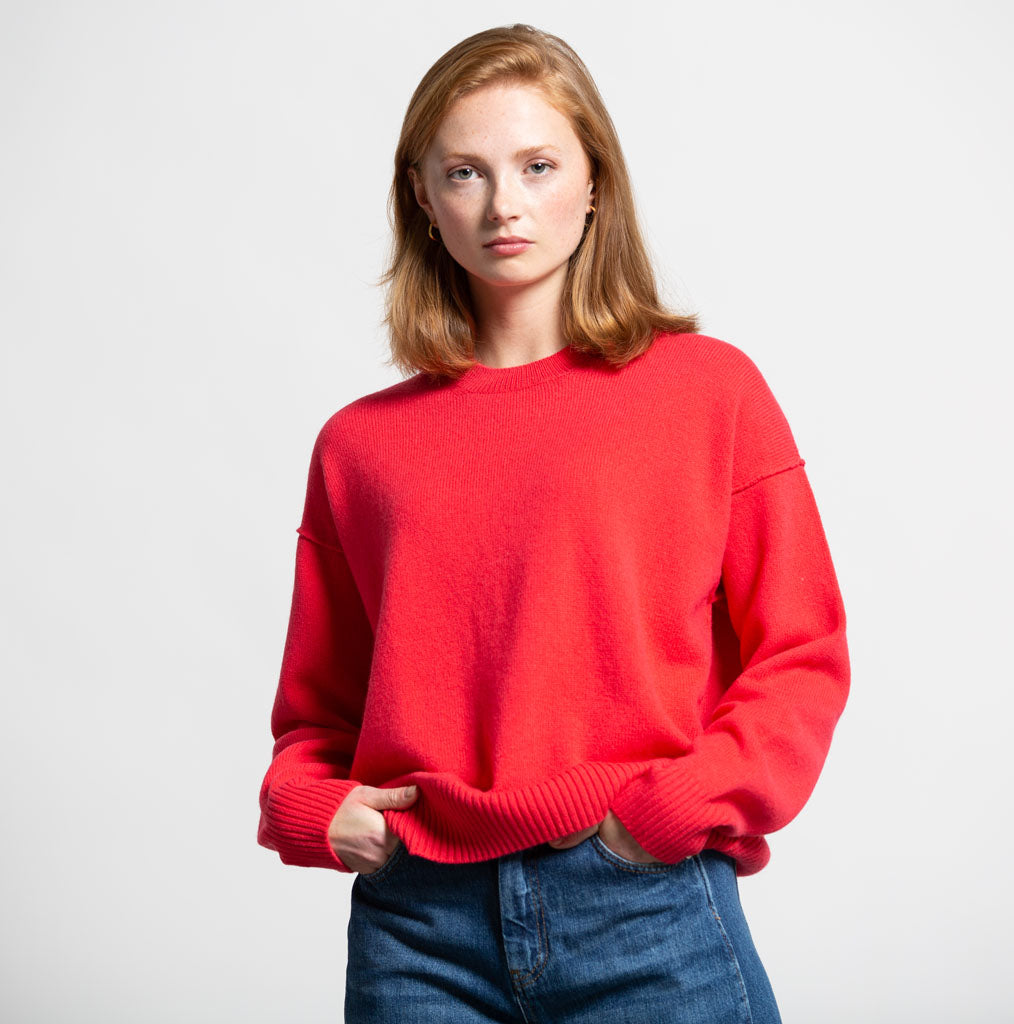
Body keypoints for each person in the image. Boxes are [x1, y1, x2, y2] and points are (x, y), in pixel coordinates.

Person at [257, 22, 850, 1024]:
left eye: (537, 166)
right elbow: (319, 708)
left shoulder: (707, 393)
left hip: (642, 902)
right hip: (419, 928)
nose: (504, 204)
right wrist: (313, 806)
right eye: (465, 172)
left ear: (594, 183)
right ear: (423, 198)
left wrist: (671, 809)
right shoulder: (359, 448)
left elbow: (800, 651)